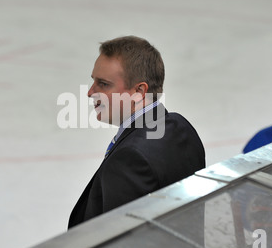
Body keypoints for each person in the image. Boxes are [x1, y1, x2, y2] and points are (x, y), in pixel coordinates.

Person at [68, 36, 206, 229]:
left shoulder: (129, 159)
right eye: (93, 81)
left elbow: (123, 247)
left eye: (103, 84)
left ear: (139, 92)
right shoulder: (181, 127)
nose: (90, 92)